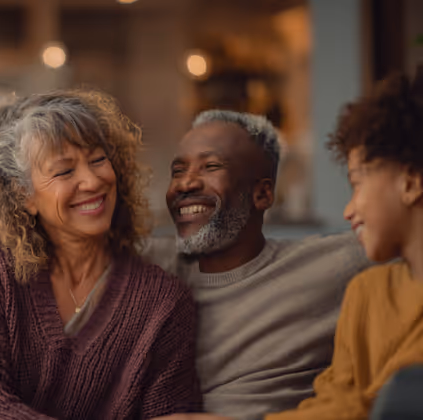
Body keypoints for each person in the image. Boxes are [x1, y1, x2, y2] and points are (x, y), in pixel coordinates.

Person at [0, 89, 202, 419]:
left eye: (98, 160)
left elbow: (167, 414)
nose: (92, 181)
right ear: (25, 196)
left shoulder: (163, 303)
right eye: (64, 171)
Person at [143, 110, 373, 420]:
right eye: (178, 170)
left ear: (262, 194)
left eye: (210, 166)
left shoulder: (336, 265)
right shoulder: (149, 266)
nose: (185, 183)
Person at [260, 68, 423, 419]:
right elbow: (334, 401)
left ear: (411, 182)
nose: (348, 210)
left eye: (357, 183)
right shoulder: (366, 292)